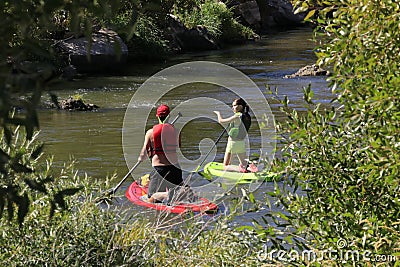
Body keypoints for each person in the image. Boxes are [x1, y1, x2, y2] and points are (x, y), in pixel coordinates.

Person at [138, 104, 184, 201]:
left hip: (160, 170)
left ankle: (168, 194)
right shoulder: (176, 131)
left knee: (151, 197)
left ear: (158, 116)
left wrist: (141, 158)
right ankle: (178, 192)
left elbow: (143, 154)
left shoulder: (150, 133)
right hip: (175, 168)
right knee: (179, 192)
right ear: (169, 116)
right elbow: (178, 146)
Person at [213, 98, 258, 173]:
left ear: (240, 106)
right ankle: (249, 167)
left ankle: (240, 169)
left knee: (225, 166)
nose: (232, 108)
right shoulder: (247, 116)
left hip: (232, 143)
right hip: (241, 143)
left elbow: (221, 121)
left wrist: (218, 113)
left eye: (234, 105)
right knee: (244, 163)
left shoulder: (237, 116)